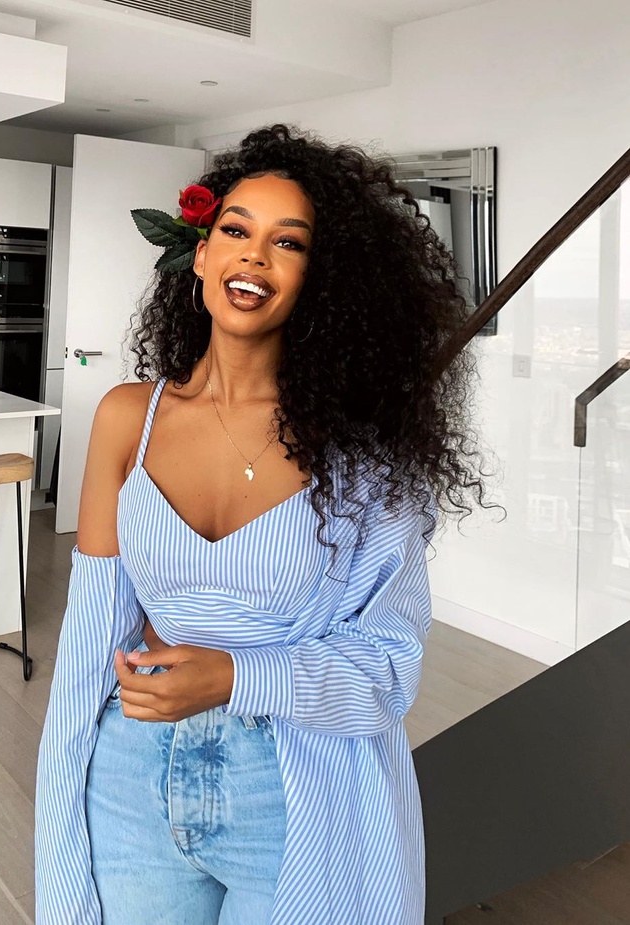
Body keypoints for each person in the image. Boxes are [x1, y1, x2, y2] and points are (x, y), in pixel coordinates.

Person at [35, 123, 496, 925]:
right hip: (131, 775)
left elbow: (388, 669)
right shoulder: (126, 418)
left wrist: (234, 675)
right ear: (200, 254)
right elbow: (87, 646)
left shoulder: (364, 454)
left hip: (294, 787)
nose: (254, 256)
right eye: (236, 230)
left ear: (321, 279)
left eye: (288, 242)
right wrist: (59, 836)